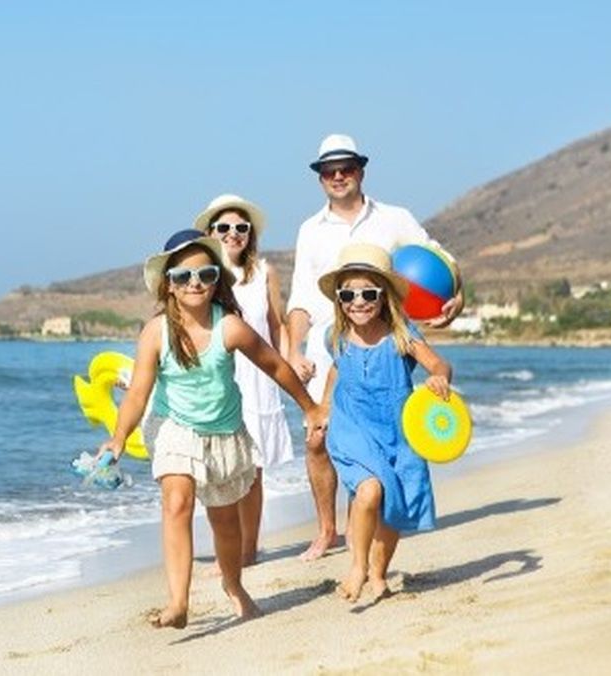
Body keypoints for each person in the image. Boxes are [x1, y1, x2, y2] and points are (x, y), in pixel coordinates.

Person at [98, 229, 324, 629]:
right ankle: (178, 602)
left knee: (223, 521)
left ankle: (234, 585)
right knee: (177, 502)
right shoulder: (156, 332)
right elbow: (137, 394)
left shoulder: (230, 327)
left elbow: (274, 366)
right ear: (168, 285)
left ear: (217, 278)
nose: (194, 283)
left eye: (204, 274)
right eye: (183, 277)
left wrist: (309, 407)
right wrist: (117, 439)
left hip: (223, 432)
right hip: (173, 426)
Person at [286, 133, 463, 561]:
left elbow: (439, 261)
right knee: (316, 441)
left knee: (377, 441)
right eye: (330, 171)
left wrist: (459, 297)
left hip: (385, 343)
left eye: (346, 168)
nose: (339, 176)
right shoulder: (310, 231)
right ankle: (329, 530)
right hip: (332, 345)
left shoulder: (395, 218)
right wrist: (294, 350)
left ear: (361, 171)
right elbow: (301, 298)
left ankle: (361, 524)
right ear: (320, 178)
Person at [316, 242, 451, 602]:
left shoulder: (402, 335)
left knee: (393, 504)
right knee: (370, 490)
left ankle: (378, 573)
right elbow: (337, 371)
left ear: (384, 295)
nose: (358, 302)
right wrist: (323, 407)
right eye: (349, 294)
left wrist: (439, 378)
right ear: (340, 299)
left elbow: (438, 364)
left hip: (399, 430)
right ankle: (358, 566)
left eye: (368, 293)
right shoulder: (334, 336)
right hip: (352, 428)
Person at [193, 194, 293, 567]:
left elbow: (276, 324)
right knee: (219, 469)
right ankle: (227, 549)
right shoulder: (202, 274)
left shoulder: (263, 271)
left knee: (253, 472)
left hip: (259, 378)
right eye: (224, 227)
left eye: (241, 227)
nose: (233, 234)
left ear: (250, 234)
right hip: (217, 378)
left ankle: (248, 551)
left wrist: (290, 363)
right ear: (210, 232)